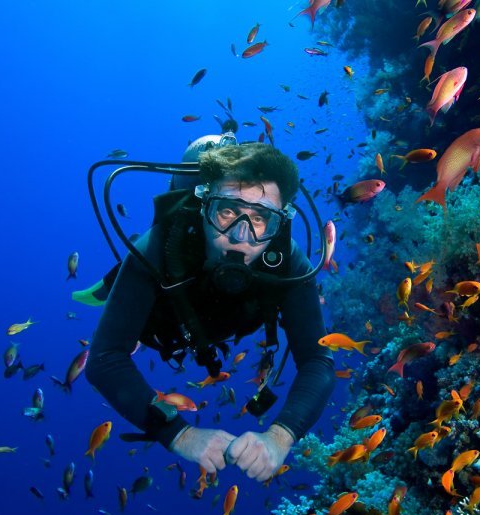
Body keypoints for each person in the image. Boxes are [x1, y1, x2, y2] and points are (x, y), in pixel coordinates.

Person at [85, 136, 335, 483]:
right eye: (228, 211)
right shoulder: (159, 246)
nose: (240, 236)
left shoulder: (288, 261)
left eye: (260, 218)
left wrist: (281, 436)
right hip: (164, 325)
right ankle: (111, 287)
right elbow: (103, 359)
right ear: (204, 208)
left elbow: (318, 359)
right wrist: (179, 434)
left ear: (279, 222)